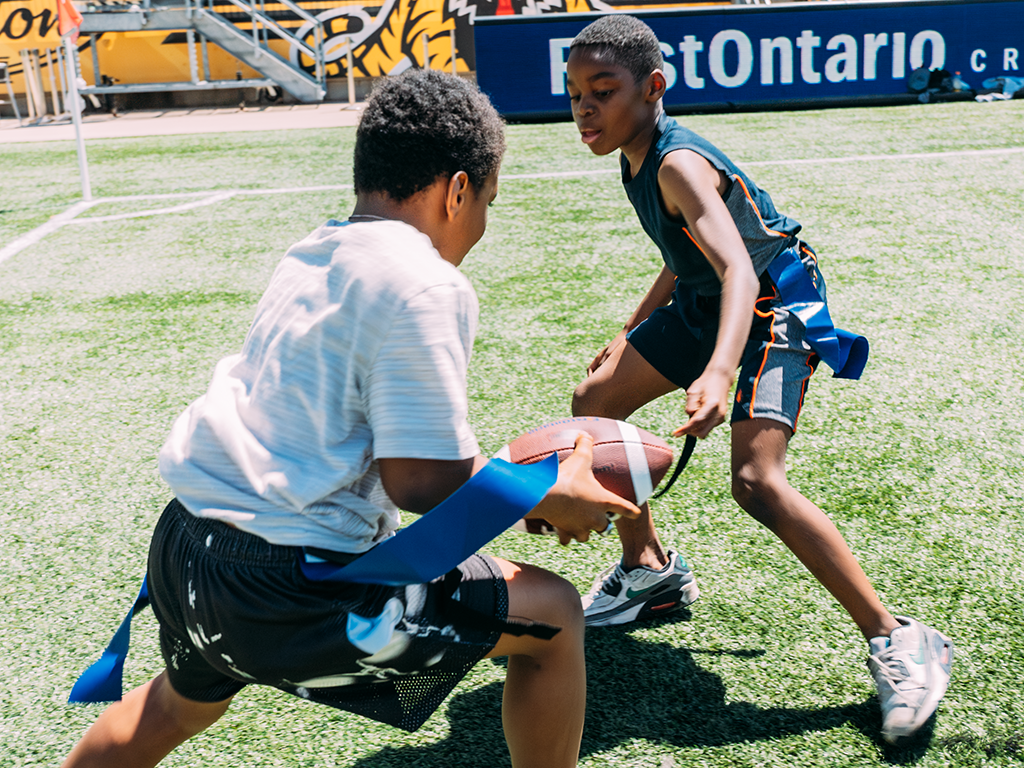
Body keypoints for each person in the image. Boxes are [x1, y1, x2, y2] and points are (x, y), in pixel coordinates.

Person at [61, 69, 640, 768]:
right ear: (458, 190)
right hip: (282, 590)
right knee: (552, 614)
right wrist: (547, 492)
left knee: (176, 707)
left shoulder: (312, 249)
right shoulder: (425, 280)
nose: (482, 223)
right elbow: (420, 484)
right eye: (486, 200)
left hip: (187, 553)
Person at [563, 14, 953, 744]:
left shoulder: (676, 161)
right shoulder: (633, 152)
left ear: (652, 88)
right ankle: (647, 570)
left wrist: (716, 372)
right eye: (575, 93)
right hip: (707, 297)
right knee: (596, 403)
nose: (584, 108)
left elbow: (740, 266)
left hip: (774, 300)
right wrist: (628, 329)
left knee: (755, 479)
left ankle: (898, 636)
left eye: (602, 91)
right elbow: (685, 254)